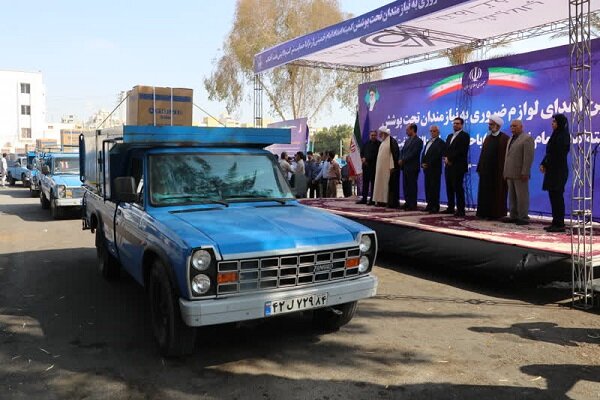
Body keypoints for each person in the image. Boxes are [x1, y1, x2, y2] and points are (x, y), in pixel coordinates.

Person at [540, 113, 570, 232]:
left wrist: (547, 163)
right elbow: (549, 153)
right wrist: (544, 163)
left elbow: (558, 154)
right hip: (552, 170)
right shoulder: (555, 135)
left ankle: (560, 224)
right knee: (553, 196)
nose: (552, 124)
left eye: (554, 122)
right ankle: (555, 222)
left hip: (559, 171)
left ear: (560, 123)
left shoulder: (564, 136)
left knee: (558, 196)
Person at [476, 114, 510, 220]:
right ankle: (484, 212)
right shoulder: (488, 137)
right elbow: (483, 154)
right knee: (484, 192)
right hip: (486, 171)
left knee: (496, 193)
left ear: (497, 126)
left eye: (491, 124)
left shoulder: (504, 138)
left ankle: (495, 214)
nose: (489, 126)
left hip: (498, 172)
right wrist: (480, 168)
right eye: (489, 124)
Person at [503, 120, 535, 225]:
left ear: (521, 127)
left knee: (522, 196)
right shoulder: (510, 139)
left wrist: (525, 172)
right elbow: (508, 157)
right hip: (510, 172)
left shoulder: (527, 138)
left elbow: (528, 158)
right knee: (512, 196)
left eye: (515, 126)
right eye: (511, 126)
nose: (512, 128)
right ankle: (513, 216)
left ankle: (523, 217)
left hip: (520, 173)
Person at [442, 117, 470, 216]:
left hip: (458, 166)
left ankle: (461, 210)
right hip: (448, 166)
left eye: (457, 123)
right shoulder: (450, 136)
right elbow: (446, 149)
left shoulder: (465, 136)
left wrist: (450, 159)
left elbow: (461, 151)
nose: (455, 125)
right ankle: (450, 207)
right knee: (449, 187)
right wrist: (445, 157)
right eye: (454, 123)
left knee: (458, 188)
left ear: (462, 125)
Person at [421, 125, 446, 213]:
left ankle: (435, 206)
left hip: (434, 169)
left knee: (434, 188)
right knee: (428, 187)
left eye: (434, 131)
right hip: (426, 170)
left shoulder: (441, 143)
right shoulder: (428, 142)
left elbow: (437, 156)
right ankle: (429, 204)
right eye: (431, 131)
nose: (432, 133)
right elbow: (424, 154)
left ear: (438, 132)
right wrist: (422, 163)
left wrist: (428, 164)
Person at [372, 126, 400, 207]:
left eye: (380, 133)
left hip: (388, 169)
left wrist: (391, 166)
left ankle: (387, 201)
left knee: (386, 185)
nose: (379, 135)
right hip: (380, 169)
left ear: (384, 133)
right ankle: (380, 200)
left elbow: (393, 155)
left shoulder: (392, 141)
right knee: (380, 184)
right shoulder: (383, 142)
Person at [398, 123, 423, 210]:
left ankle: (412, 204)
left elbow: (414, 154)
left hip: (412, 167)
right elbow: (402, 151)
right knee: (406, 186)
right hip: (405, 167)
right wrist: (400, 159)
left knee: (412, 186)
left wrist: (403, 160)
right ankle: (407, 202)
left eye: (407, 130)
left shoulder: (419, 141)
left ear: (412, 130)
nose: (406, 131)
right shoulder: (407, 140)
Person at [356, 130, 380, 205]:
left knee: (373, 184)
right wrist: (363, 158)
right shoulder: (366, 144)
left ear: (377, 136)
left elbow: (376, 155)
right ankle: (364, 199)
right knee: (365, 184)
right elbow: (362, 153)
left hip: (373, 167)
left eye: (374, 135)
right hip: (365, 167)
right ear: (370, 136)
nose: (373, 136)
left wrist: (367, 159)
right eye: (372, 135)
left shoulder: (379, 144)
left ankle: (372, 200)